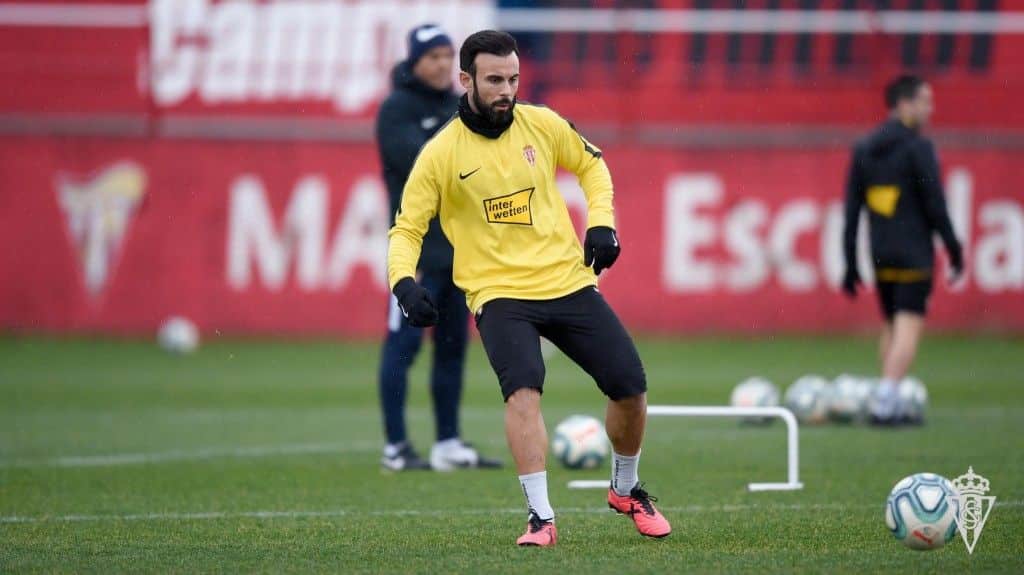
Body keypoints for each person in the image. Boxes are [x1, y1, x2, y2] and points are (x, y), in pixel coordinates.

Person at [387, 30, 671, 546]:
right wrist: (403, 284)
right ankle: (541, 517)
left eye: (514, 79)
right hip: (499, 294)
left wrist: (602, 223)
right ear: (467, 79)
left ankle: (625, 489)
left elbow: (592, 164)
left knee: (630, 388)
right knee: (523, 390)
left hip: (566, 281)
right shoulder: (441, 153)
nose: (506, 90)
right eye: (495, 80)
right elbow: (406, 227)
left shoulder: (541, 123)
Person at [376, 24, 501, 472]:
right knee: (403, 346)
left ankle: (448, 442)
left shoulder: (456, 106)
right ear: (414, 61)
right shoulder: (396, 109)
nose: (443, 65)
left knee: (452, 348)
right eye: (433, 57)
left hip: (457, 253)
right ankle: (396, 446)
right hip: (414, 255)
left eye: (449, 56)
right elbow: (423, 166)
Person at [841, 74, 963, 426]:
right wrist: (954, 249)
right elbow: (935, 205)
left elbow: (852, 211)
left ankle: (888, 399)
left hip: (880, 252)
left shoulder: (864, 148)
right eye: (925, 100)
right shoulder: (917, 149)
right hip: (913, 253)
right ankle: (885, 402)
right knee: (908, 326)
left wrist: (850, 262)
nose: (930, 108)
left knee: (892, 325)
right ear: (904, 104)